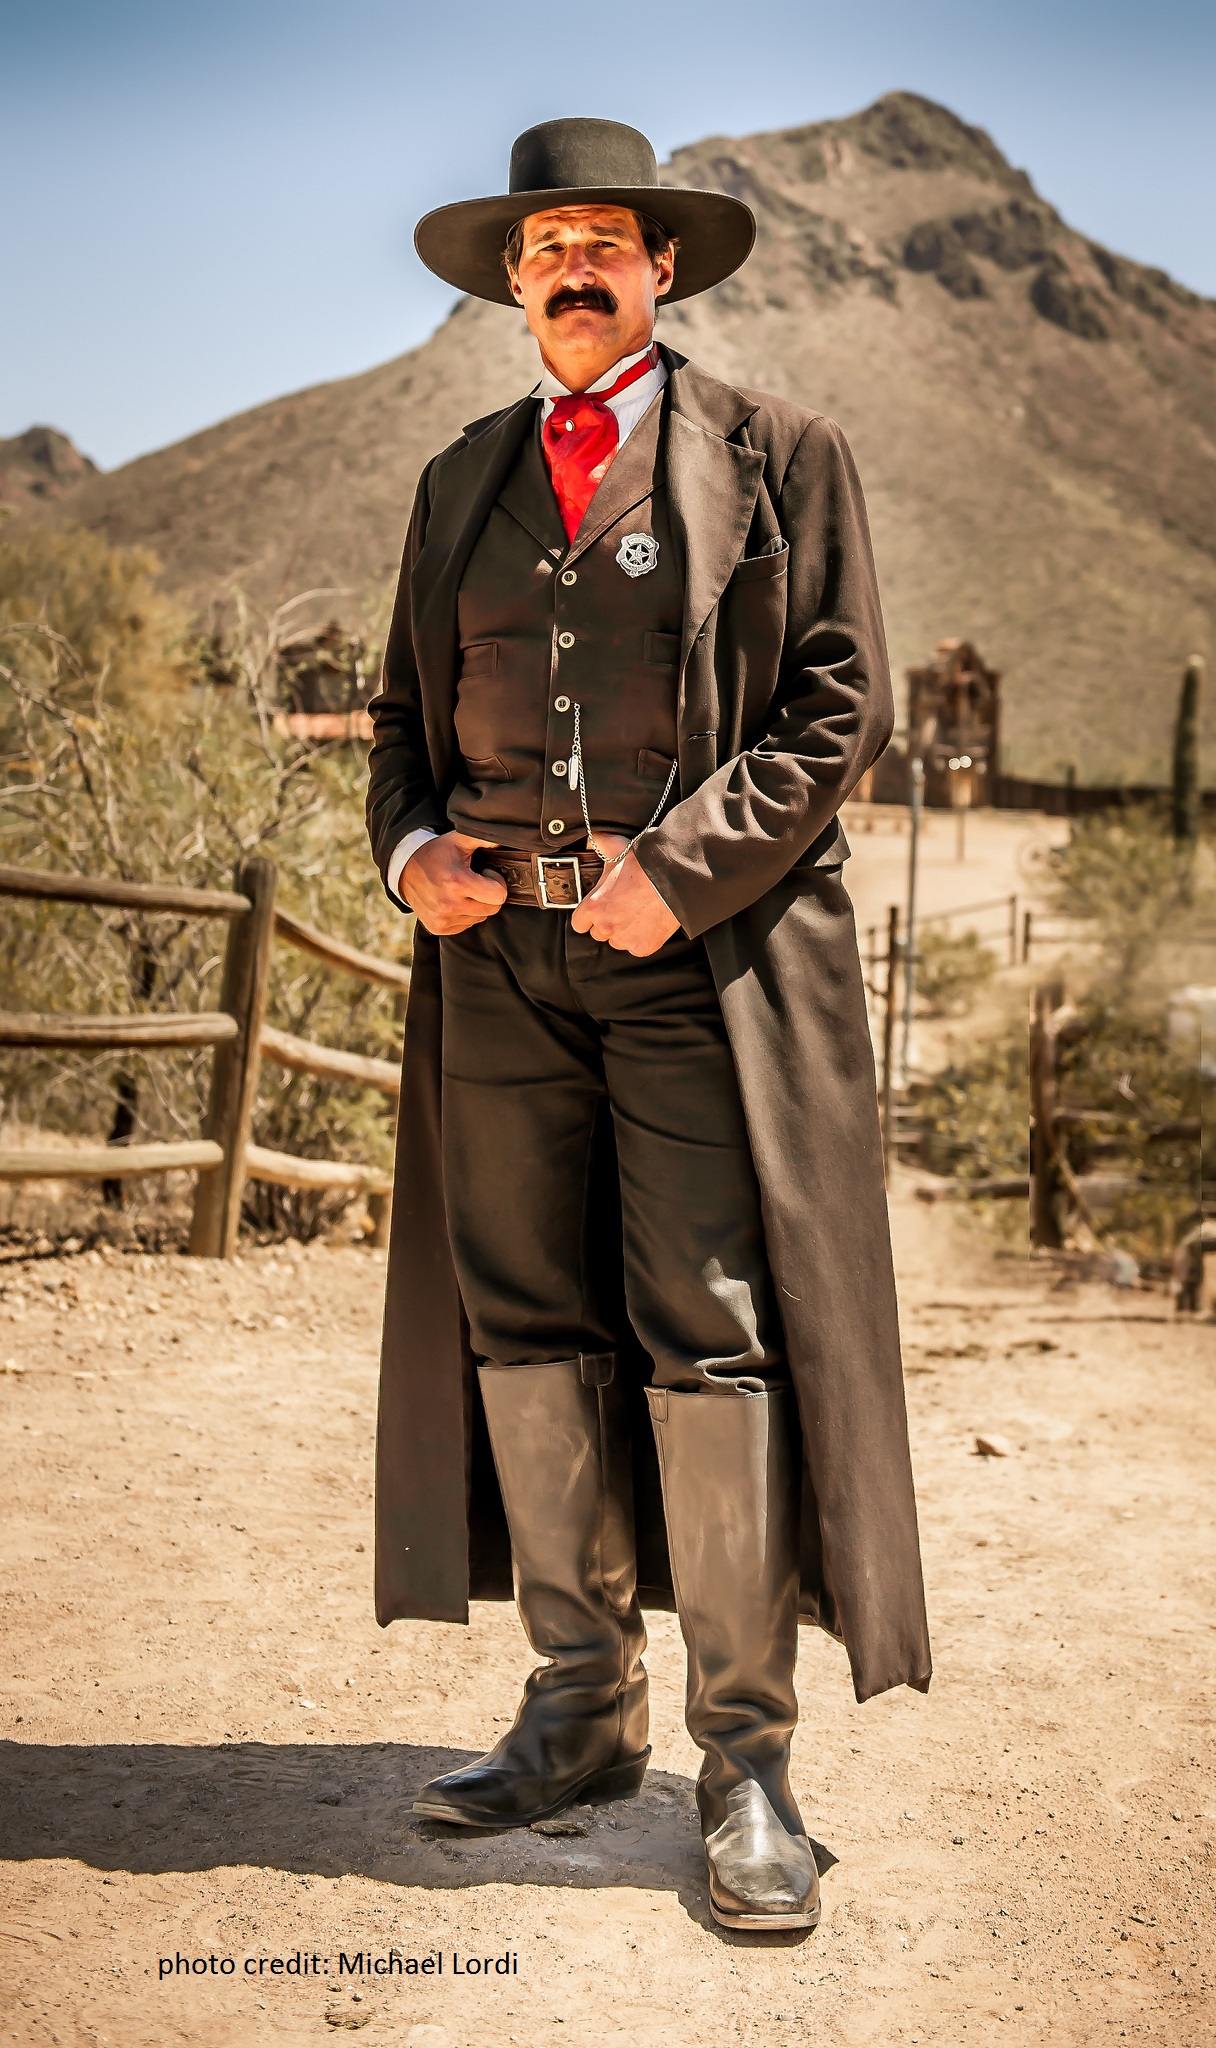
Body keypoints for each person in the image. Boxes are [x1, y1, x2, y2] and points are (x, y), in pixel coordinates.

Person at [366, 117, 930, 1933]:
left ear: (662, 268)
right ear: (512, 282)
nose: (578, 268)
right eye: (547, 249)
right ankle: (578, 1703)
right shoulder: (460, 478)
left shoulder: (778, 457)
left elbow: (840, 703)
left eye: (607, 240)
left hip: (702, 964)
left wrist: (680, 872)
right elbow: (395, 722)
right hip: (497, 968)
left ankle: (747, 1760)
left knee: (712, 1332)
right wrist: (409, 852)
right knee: (526, 1326)